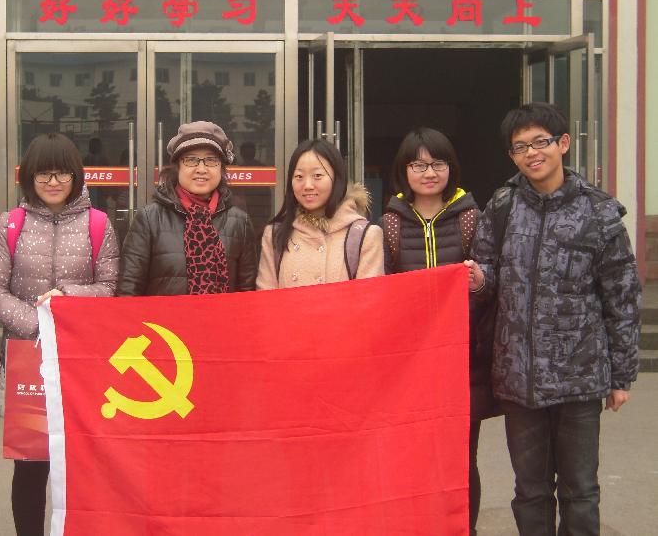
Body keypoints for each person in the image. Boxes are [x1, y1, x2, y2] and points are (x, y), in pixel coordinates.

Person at [466, 102, 641, 535]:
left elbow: (622, 297)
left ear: (563, 144)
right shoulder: (503, 206)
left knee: (581, 491)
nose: (531, 153)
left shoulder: (599, 212)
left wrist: (621, 376)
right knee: (530, 491)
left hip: (579, 378)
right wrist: (478, 279)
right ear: (512, 155)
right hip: (518, 378)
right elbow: (488, 273)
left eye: (540, 142)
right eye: (520, 146)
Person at [0, 132, 119, 536]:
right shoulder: (10, 224)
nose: (53, 182)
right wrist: (39, 325)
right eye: (43, 173)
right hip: (27, 358)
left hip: (81, 360)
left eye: (62, 173)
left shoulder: (99, 224)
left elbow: (110, 286)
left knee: (81, 461)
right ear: (29, 177)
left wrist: (68, 299)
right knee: (30, 463)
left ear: (76, 176)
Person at [378, 127, 492, 536]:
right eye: (418, 165)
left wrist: (479, 283)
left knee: (462, 457)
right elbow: (382, 292)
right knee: (413, 456)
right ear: (403, 170)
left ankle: (464, 529)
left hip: (462, 362)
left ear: (451, 168)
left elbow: (490, 285)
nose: (429, 173)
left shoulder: (472, 218)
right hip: (409, 366)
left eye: (437, 164)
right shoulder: (389, 223)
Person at [118, 120, 257, 296]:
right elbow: (128, 290)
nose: (201, 169)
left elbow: (247, 294)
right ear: (177, 167)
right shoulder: (149, 218)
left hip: (222, 315)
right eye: (191, 160)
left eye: (211, 160)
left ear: (221, 168)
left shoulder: (239, 222)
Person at [256, 138, 383, 289]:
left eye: (317, 176)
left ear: (337, 178)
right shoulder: (275, 234)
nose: (308, 185)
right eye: (299, 177)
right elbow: (266, 298)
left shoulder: (365, 236)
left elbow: (369, 299)